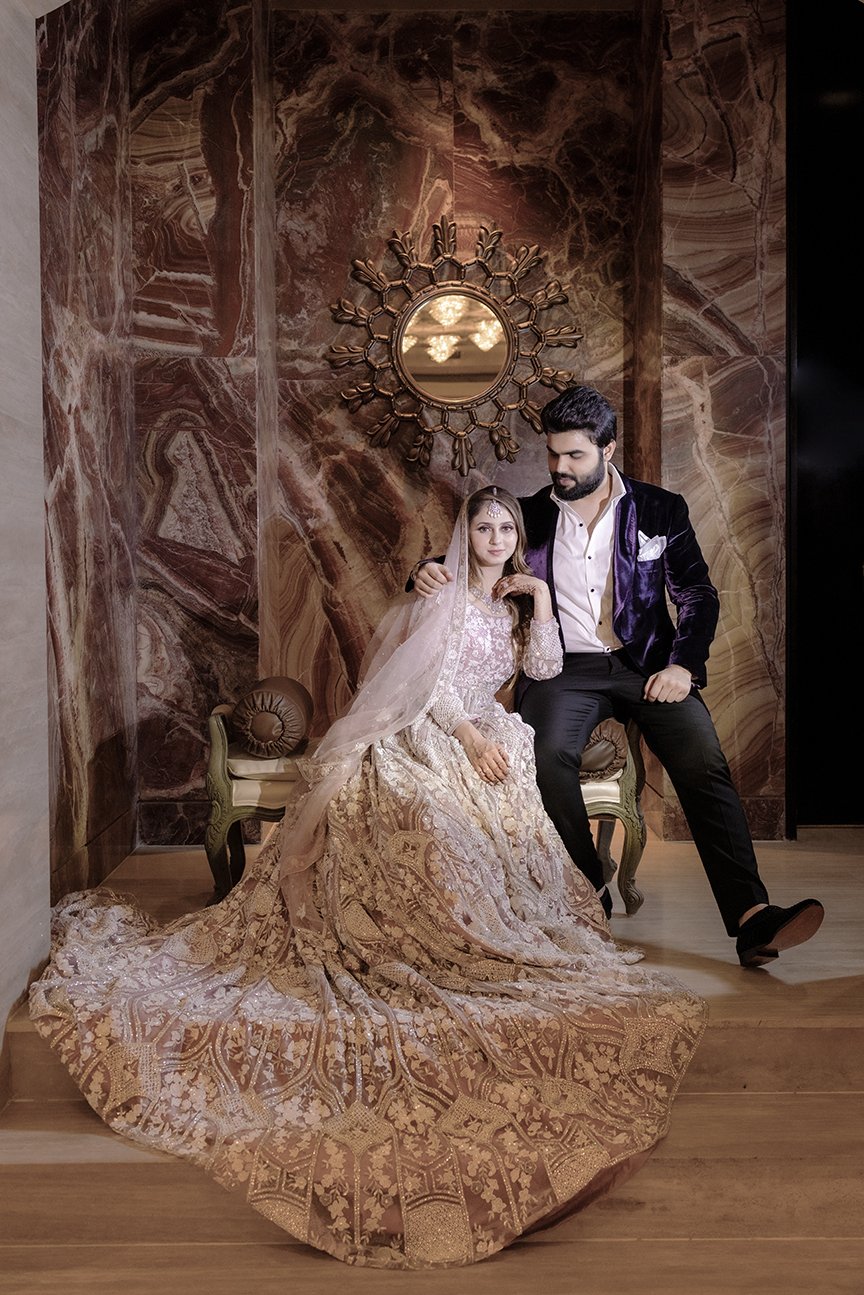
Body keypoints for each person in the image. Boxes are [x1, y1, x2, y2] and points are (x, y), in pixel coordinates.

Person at [31, 486, 705, 1270]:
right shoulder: (440, 594)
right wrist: (466, 736)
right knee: (421, 806)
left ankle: (495, 914)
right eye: (482, 526)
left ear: (520, 539)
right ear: (465, 535)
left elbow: (546, 668)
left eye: (505, 528)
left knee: (510, 790)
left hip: (491, 726)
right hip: (429, 726)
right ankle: (421, 921)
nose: (493, 537)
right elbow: (427, 686)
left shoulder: (520, 599)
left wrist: (544, 596)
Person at [412, 388, 823, 969]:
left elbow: (698, 594)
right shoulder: (528, 513)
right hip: (564, 669)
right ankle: (588, 897)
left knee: (702, 760)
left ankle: (752, 919)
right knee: (548, 751)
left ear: (607, 448)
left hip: (648, 664)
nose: (559, 468)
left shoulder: (660, 509)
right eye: (553, 455)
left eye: (574, 456)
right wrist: (424, 571)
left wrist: (683, 665)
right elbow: (460, 550)